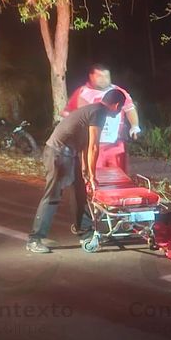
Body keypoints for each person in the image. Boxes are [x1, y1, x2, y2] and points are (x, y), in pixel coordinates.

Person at [26, 89, 126, 253]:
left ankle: (85, 231)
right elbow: (94, 146)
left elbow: (85, 145)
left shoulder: (93, 110)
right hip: (58, 154)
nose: (119, 111)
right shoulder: (99, 113)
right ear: (116, 105)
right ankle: (34, 239)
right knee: (53, 196)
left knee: (80, 192)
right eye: (121, 108)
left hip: (67, 154)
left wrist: (86, 170)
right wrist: (93, 175)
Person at [62, 64, 140, 174]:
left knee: (119, 176)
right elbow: (68, 114)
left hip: (115, 146)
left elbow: (130, 109)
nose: (104, 80)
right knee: (93, 177)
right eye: (100, 76)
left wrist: (135, 126)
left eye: (106, 76)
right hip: (90, 145)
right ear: (91, 76)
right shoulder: (81, 93)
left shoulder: (119, 92)